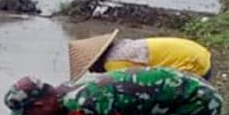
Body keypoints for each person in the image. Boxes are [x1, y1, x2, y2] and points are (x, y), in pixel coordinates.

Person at [4, 68, 223, 115]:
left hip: (196, 101)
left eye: (27, 114)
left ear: (41, 104)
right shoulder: (64, 102)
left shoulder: (83, 103)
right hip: (173, 101)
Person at [67, 29, 213, 81]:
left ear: (97, 59)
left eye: (91, 67)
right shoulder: (122, 46)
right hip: (198, 53)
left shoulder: (114, 63)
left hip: (194, 66)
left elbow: (131, 87)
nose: (92, 72)